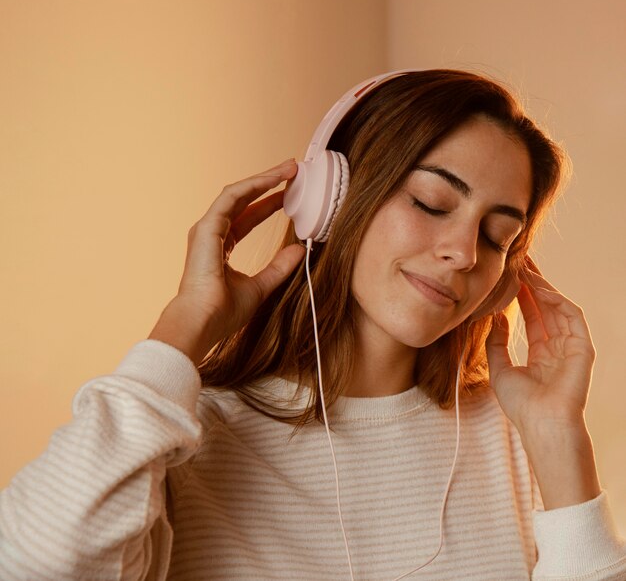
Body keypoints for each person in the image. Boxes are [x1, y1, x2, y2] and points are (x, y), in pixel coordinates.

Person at [1, 69, 624, 581]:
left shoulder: (518, 440)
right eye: (432, 204)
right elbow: (37, 562)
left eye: (495, 237)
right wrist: (183, 328)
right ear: (333, 197)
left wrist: (556, 439)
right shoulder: (183, 441)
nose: (464, 252)